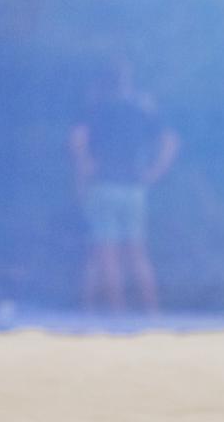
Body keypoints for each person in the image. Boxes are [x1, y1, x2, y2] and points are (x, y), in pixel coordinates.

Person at [69, 56, 179, 315]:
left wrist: (83, 173)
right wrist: (155, 172)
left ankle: (117, 313)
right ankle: (152, 312)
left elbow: (77, 141)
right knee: (137, 251)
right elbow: (170, 140)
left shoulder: (95, 107)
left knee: (107, 252)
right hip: (134, 188)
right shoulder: (142, 108)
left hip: (104, 185)